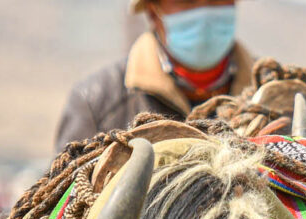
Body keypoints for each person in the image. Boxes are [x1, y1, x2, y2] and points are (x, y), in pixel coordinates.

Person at [54, 0, 253, 150]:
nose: (204, 12)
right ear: (152, 11)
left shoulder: (275, 96)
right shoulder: (97, 103)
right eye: (186, 0)